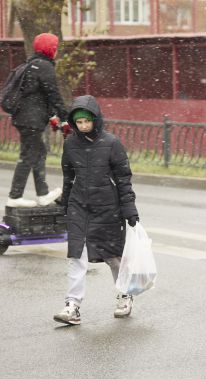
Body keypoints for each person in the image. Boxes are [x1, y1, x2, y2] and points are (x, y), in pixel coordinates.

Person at [53, 95, 139, 325]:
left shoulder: (111, 143)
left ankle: (124, 294)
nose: (82, 127)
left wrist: (129, 209)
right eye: (78, 123)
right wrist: (65, 206)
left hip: (107, 207)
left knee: (113, 257)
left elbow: (123, 179)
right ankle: (72, 306)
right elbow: (68, 177)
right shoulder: (70, 143)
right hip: (79, 206)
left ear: (95, 119)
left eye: (86, 122)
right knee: (76, 255)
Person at [6, 32, 70, 208]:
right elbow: (53, 94)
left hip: (25, 117)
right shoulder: (44, 66)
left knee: (38, 153)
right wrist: (65, 118)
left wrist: (52, 116)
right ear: (50, 49)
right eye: (55, 48)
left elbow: (37, 96)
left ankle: (42, 194)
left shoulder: (32, 64)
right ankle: (15, 196)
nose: (56, 51)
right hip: (31, 120)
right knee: (28, 156)